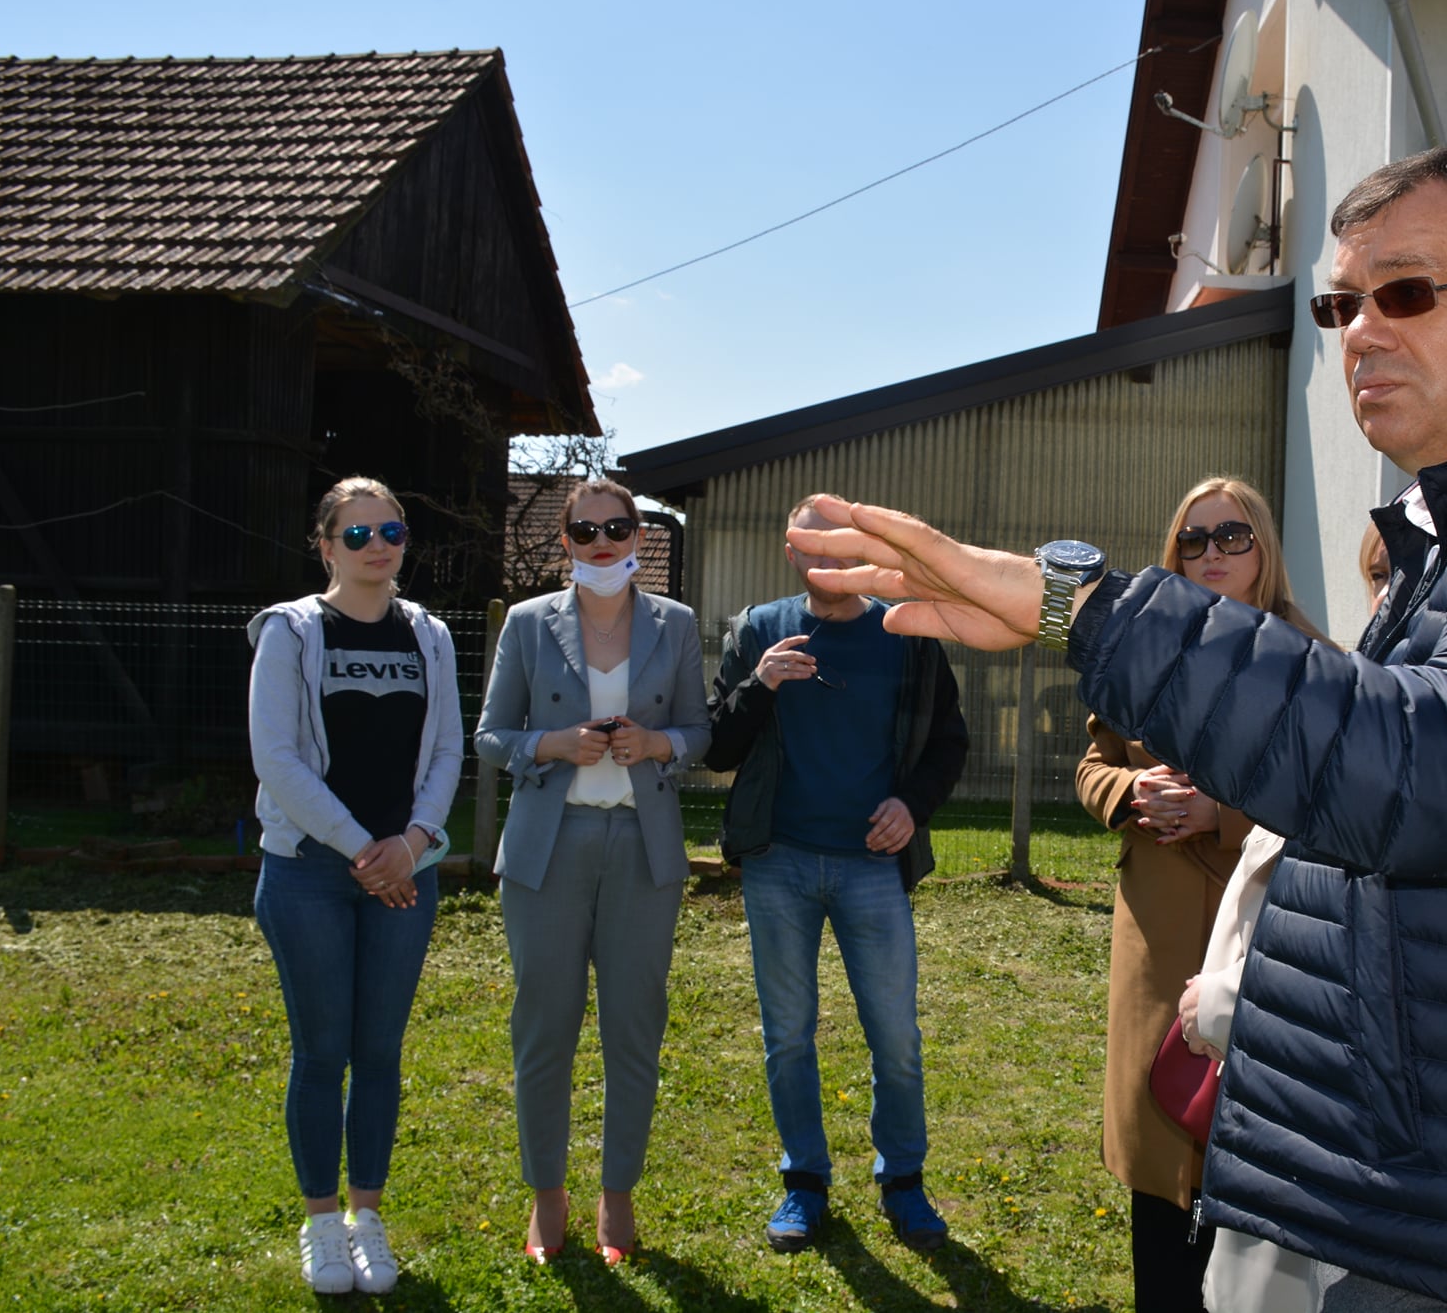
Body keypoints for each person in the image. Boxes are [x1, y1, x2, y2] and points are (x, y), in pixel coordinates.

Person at [785, 145, 1447, 1313]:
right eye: (1338, 304)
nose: (1360, 332)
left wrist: (1081, 607)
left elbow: (1444, 770)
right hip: (1395, 1183)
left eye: (1404, 291)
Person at [1078, 476, 1324, 1312]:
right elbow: (1091, 765)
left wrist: (1220, 813)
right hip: (1157, 928)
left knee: (1244, 1160)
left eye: (1232, 535)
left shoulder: (1308, 657)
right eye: (1194, 538)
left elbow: (1329, 789)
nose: (1212, 552)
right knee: (1158, 1149)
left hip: (1260, 933)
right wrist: (1128, 793)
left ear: (1264, 548)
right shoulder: (1139, 646)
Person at [701, 492, 969, 1255]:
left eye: (840, 548)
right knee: (788, 1034)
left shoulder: (904, 633)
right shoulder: (759, 628)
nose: (827, 562)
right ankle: (804, 1182)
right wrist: (762, 682)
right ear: (792, 554)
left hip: (872, 867)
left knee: (896, 1036)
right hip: (777, 863)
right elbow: (717, 748)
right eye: (811, 550)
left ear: (862, 551)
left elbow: (950, 742)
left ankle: (904, 1181)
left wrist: (911, 805)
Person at [473, 477, 710, 1266]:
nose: (602, 539)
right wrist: (551, 744)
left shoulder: (674, 622)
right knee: (543, 1026)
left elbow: (697, 729)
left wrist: (658, 745)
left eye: (618, 525)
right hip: (547, 847)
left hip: (644, 849)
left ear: (639, 535)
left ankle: (617, 1195)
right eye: (586, 528)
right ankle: (548, 1195)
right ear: (567, 538)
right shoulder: (527, 623)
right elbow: (491, 734)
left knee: (633, 1027)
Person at [248, 476, 462, 1295]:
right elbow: (278, 757)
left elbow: (446, 750)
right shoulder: (292, 631)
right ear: (326, 543)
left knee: (379, 1053)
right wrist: (361, 850)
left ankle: (368, 1218)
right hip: (309, 871)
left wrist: (411, 844)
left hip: (404, 874)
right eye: (360, 532)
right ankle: (321, 1224)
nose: (379, 545)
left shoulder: (431, 634)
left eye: (393, 530)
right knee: (322, 1052)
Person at [1178, 521, 1396, 1313]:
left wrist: (1229, 1006)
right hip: (1249, 1082)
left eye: (1230, 535)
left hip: (1333, 1154)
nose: (1391, 596)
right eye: (1379, 574)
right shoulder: (1357, 690)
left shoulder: (1325, 680)